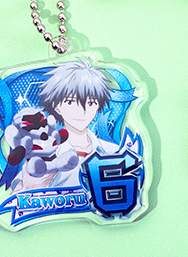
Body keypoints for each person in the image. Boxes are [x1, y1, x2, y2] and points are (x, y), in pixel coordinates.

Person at [12, 60, 117, 191]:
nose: (82, 111)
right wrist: (31, 187)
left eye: (91, 103)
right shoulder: (45, 153)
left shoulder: (113, 151)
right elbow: (14, 199)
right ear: (56, 106)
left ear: (98, 106)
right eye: (71, 102)